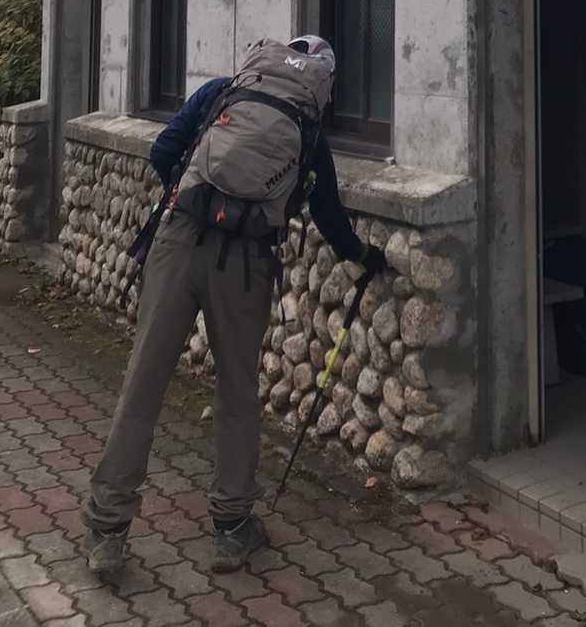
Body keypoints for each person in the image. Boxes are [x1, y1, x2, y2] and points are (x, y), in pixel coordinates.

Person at [82, 34, 385, 582]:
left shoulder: (222, 92)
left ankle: (107, 531)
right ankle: (231, 526)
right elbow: (330, 218)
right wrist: (365, 257)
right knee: (237, 392)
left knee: (143, 382)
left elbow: (163, 150)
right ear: (322, 85)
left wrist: (192, 200)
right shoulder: (310, 133)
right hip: (246, 262)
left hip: (179, 241)